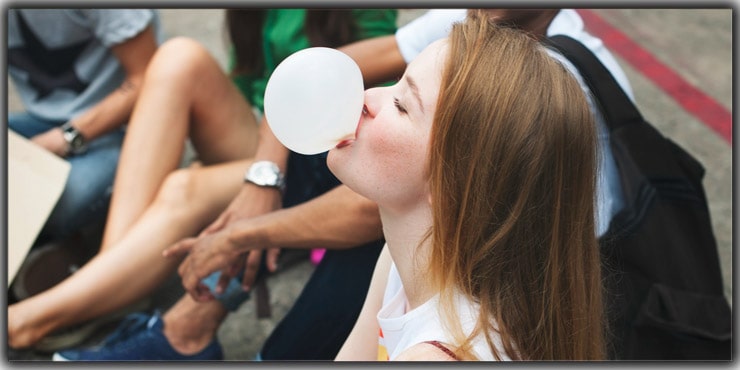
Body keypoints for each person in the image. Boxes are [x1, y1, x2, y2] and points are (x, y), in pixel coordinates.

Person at [160, 8, 633, 361]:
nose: (366, 97)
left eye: (404, 104)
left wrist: (247, 233)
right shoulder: (399, 262)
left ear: (453, 183)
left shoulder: (435, 354)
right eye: (396, 83)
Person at [8, 9, 397, 359]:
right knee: (181, 57)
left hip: (313, 152)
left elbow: (359, 115)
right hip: (263, 137)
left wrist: (265, 179)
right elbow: (247, 87)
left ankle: (31, 319)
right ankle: (106, 283)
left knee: (180, 188)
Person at [7, 9, 159, 297]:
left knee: (60, 199)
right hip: (41, 120)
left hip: (125, 125)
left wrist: (64, 138)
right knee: (30, 196)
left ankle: (83, 251)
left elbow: (152, 75)